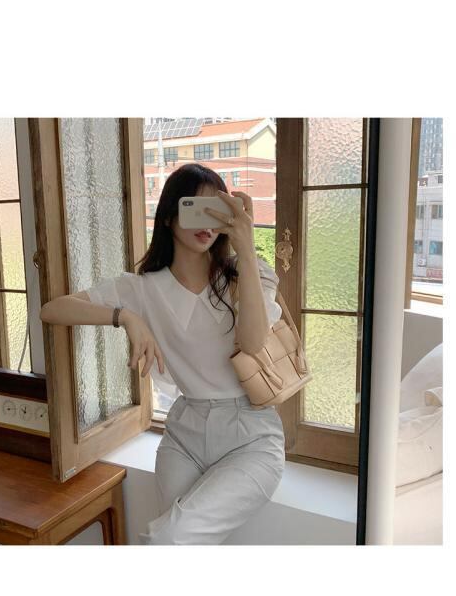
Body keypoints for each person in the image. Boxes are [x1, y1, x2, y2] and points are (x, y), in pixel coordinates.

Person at [41, 160, 303, 542]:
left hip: (251, 436)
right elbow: (53, 310)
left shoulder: (247, 274)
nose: (206, 223)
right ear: (168, 216)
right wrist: (125, 316)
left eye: (215, 210)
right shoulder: (143, 289)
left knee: (172, 537)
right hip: (185, 436)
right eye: (194, 208)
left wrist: (246, 248)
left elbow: (252, 342)